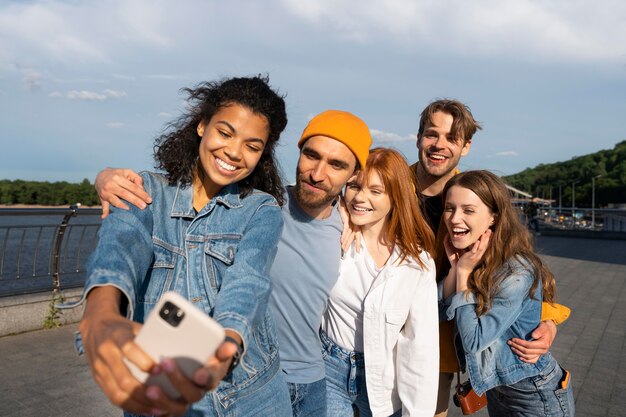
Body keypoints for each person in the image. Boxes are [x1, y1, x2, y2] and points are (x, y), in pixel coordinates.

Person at [94, 109, 373, 417]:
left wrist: (352, 216)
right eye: (312, 155)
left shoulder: (351, 229)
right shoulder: (259, 207)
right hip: (251, 379)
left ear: (353, 174)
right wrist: (106, 177)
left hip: (313, 382)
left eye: (336, 165)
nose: (317, 173)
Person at [72, 76, 292, 416]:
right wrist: (100, 315)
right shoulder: (147, 192)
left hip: (253, 394)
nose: (234, 152)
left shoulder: (261, 210)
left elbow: (249, 280)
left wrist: (227, 345)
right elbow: (121, 244)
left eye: (252, 145)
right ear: (202, 125)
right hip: (162, 389)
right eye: (225, 132)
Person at [410, 99, 568, 417]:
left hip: (438, 347)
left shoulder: (470, 198)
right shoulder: (389, 188)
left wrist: (548, 321)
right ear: (418, 138)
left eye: (452, 138)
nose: (439, 145)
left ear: (466, 146)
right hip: (378, 337)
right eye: (432, 134)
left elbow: (522, 270)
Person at [439, 170, 574, 416]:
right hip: (498, 390)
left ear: (493, 217)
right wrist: (457, 269)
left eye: (468, 210)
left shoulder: (516, 270)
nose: (455, 218)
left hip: (534, 393)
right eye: (450, 208)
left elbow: (473, 341)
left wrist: (463, 274)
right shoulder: (472, 256)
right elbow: (438, 312)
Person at [322, 148, 439, 417]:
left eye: (376, 191)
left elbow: (419, 349)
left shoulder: (416, 264)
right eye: (354, 186)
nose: (360, 198)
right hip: (327, 368)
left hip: (383, 383)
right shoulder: (333, 236)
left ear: (396, 197)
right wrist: (334, 207)